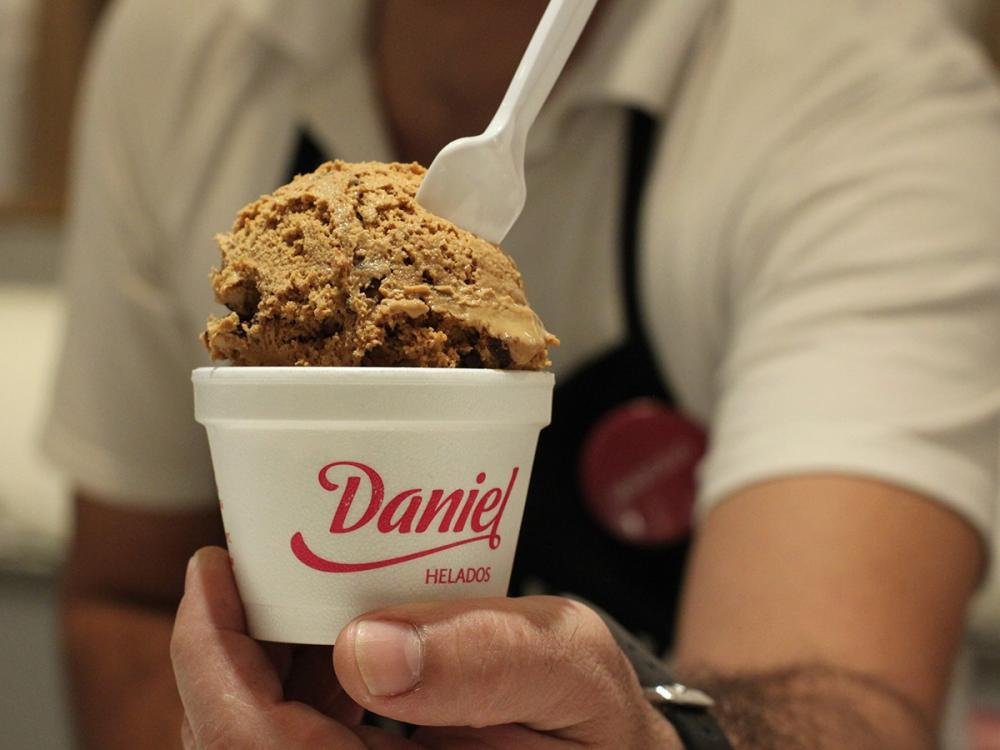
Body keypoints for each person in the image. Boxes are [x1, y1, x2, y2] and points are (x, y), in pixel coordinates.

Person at [45, 0, 1000, 747]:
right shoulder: (185, 45)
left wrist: (661, 738)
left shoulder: (877, 103)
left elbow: (847, 704)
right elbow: (127, 599)